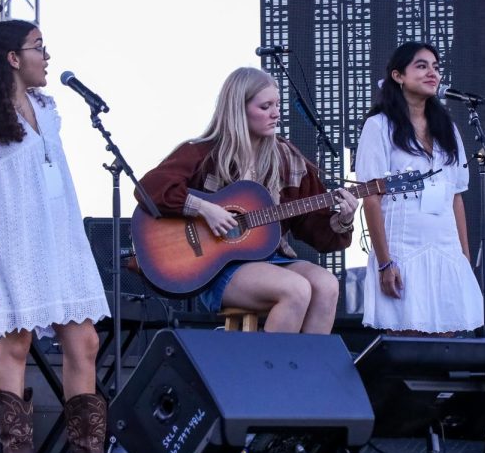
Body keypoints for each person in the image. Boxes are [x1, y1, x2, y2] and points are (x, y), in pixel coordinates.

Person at [0, 20, 109, 453]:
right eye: (39, 47)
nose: (47, 56)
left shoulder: (46, 107)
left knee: (86, 340)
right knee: (15, 342)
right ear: (13, 58)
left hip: (59, 237)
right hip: (14, 239)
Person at [138, 67, 358, 333]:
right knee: (295, 289)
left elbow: (314, 230)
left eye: (277, 104)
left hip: (274, 259)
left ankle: (303, 372)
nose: (275, 113)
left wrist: (342, 220)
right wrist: (204, 209)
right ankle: (268, 372)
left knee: (327, 284)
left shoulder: (288, 158)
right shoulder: (204, 152)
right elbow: (149, 188)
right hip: (219, 268)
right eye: (265, 106)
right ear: (238, 109)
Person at [354, 42, 483, 335]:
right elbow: (371, 200)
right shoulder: (379, 126)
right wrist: (385, 263)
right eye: (422, 66)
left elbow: (456, 197)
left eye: (436, 67)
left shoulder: (446, 127)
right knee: (408, 337)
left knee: (448, 339)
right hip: (403, 249)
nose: (432, 73)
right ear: (398, 76)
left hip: (445, 247)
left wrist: (463, 257)